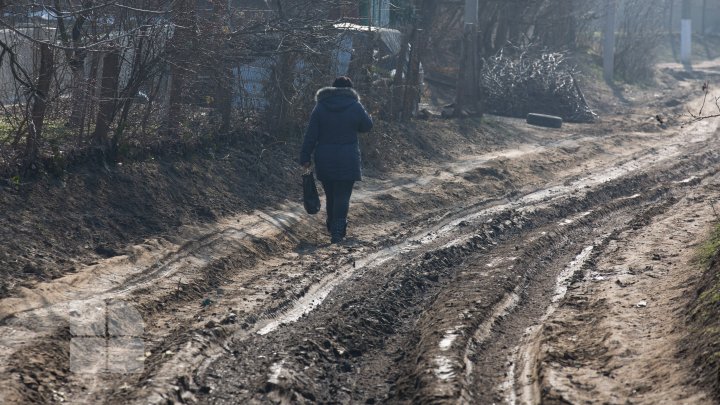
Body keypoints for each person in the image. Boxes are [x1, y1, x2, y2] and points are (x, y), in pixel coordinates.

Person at [300, 76, 373, 244]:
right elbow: (367, 126)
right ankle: (337, 231)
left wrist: (305, 157)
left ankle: (332, 226)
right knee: (343, 196)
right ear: (350, 90)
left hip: (325, 158)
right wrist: (367, 116)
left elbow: (310, 135)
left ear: (332, 89)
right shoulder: (355, 106)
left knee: (331, 194)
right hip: (348, 158)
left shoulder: (320, 107)